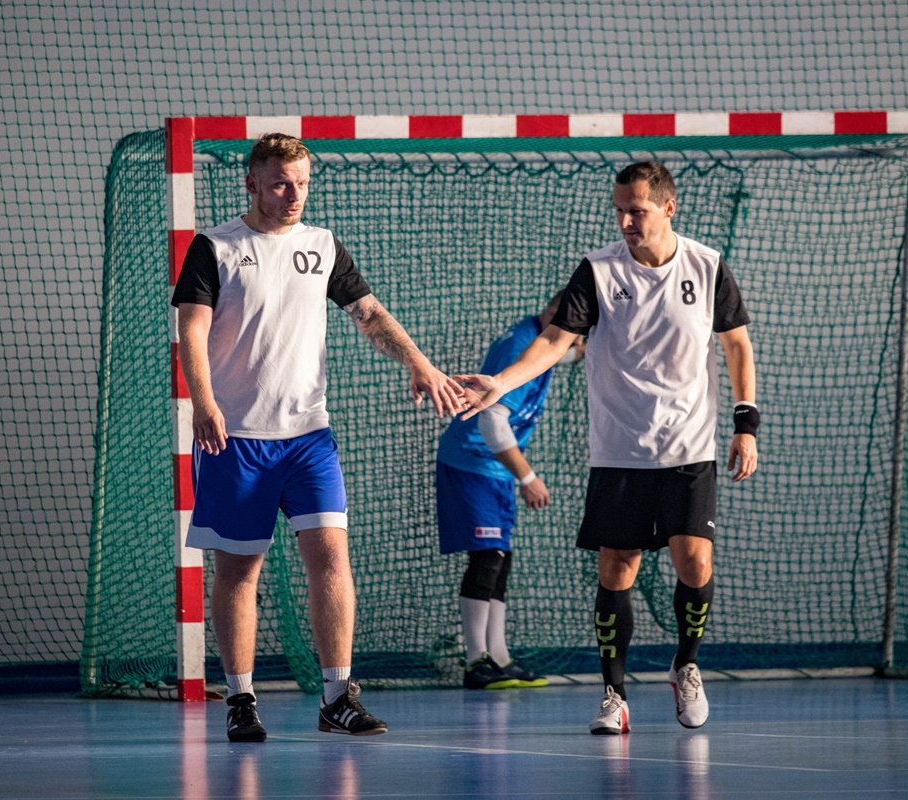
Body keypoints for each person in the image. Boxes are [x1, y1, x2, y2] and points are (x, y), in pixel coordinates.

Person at [172, 133, 467, 743]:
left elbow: (370, 315)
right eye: (280, 182)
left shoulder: (322, 245)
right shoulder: (216, 247)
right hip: (238, 439)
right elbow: (192, 331)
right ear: (251, 183)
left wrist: (417, 361)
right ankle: (240, 698)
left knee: (331, 559)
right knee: (239, 570)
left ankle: (337, 697)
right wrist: (202, 401)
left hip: (309, 436)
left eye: (302, 182)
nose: (293, 194)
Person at [456, 162, 758, 734]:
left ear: (668, 208)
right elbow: (554, 340)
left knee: (694, 560)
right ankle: (614, 697)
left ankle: (685, 667)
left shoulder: (708, 265)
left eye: (636, 210)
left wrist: (746, 423)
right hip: (620, 450)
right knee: (618, 568)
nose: (624, 220)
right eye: (618, 209)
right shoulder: (597, 271)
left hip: (690, 446)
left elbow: (737, 344)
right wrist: (503, 382)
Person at [435, 292, 583, 690]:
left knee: (501, 559)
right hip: (474, 461)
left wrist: (583, 351)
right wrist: (528, 477)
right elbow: (492, 423)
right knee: (487, 557)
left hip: (492, 467)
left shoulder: (542, 336)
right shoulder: (520, 343)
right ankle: (474, 662)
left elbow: (559, 354)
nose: (576, 339)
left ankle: (498, 657)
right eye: (577, 331)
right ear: (558, 315)